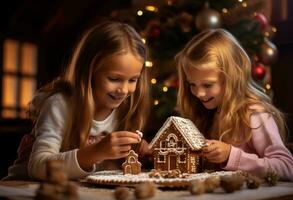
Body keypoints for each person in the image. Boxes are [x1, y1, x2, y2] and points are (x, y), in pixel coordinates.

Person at [3, 20, 151, 180]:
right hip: (22, 189)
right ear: (89, 72)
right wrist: (95, 151)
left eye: (132, 80)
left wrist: (134, 151)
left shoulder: (126, 109)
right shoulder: (60, 104)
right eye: (114, 78)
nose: (123, 90)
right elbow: (37, 167)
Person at [176, 28, 293, 181]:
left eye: (208, 85)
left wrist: (231, 155)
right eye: (192, 84)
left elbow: (286, 167)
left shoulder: (254, 115)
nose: (199, 93)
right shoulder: (205, 114)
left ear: (232, 78)